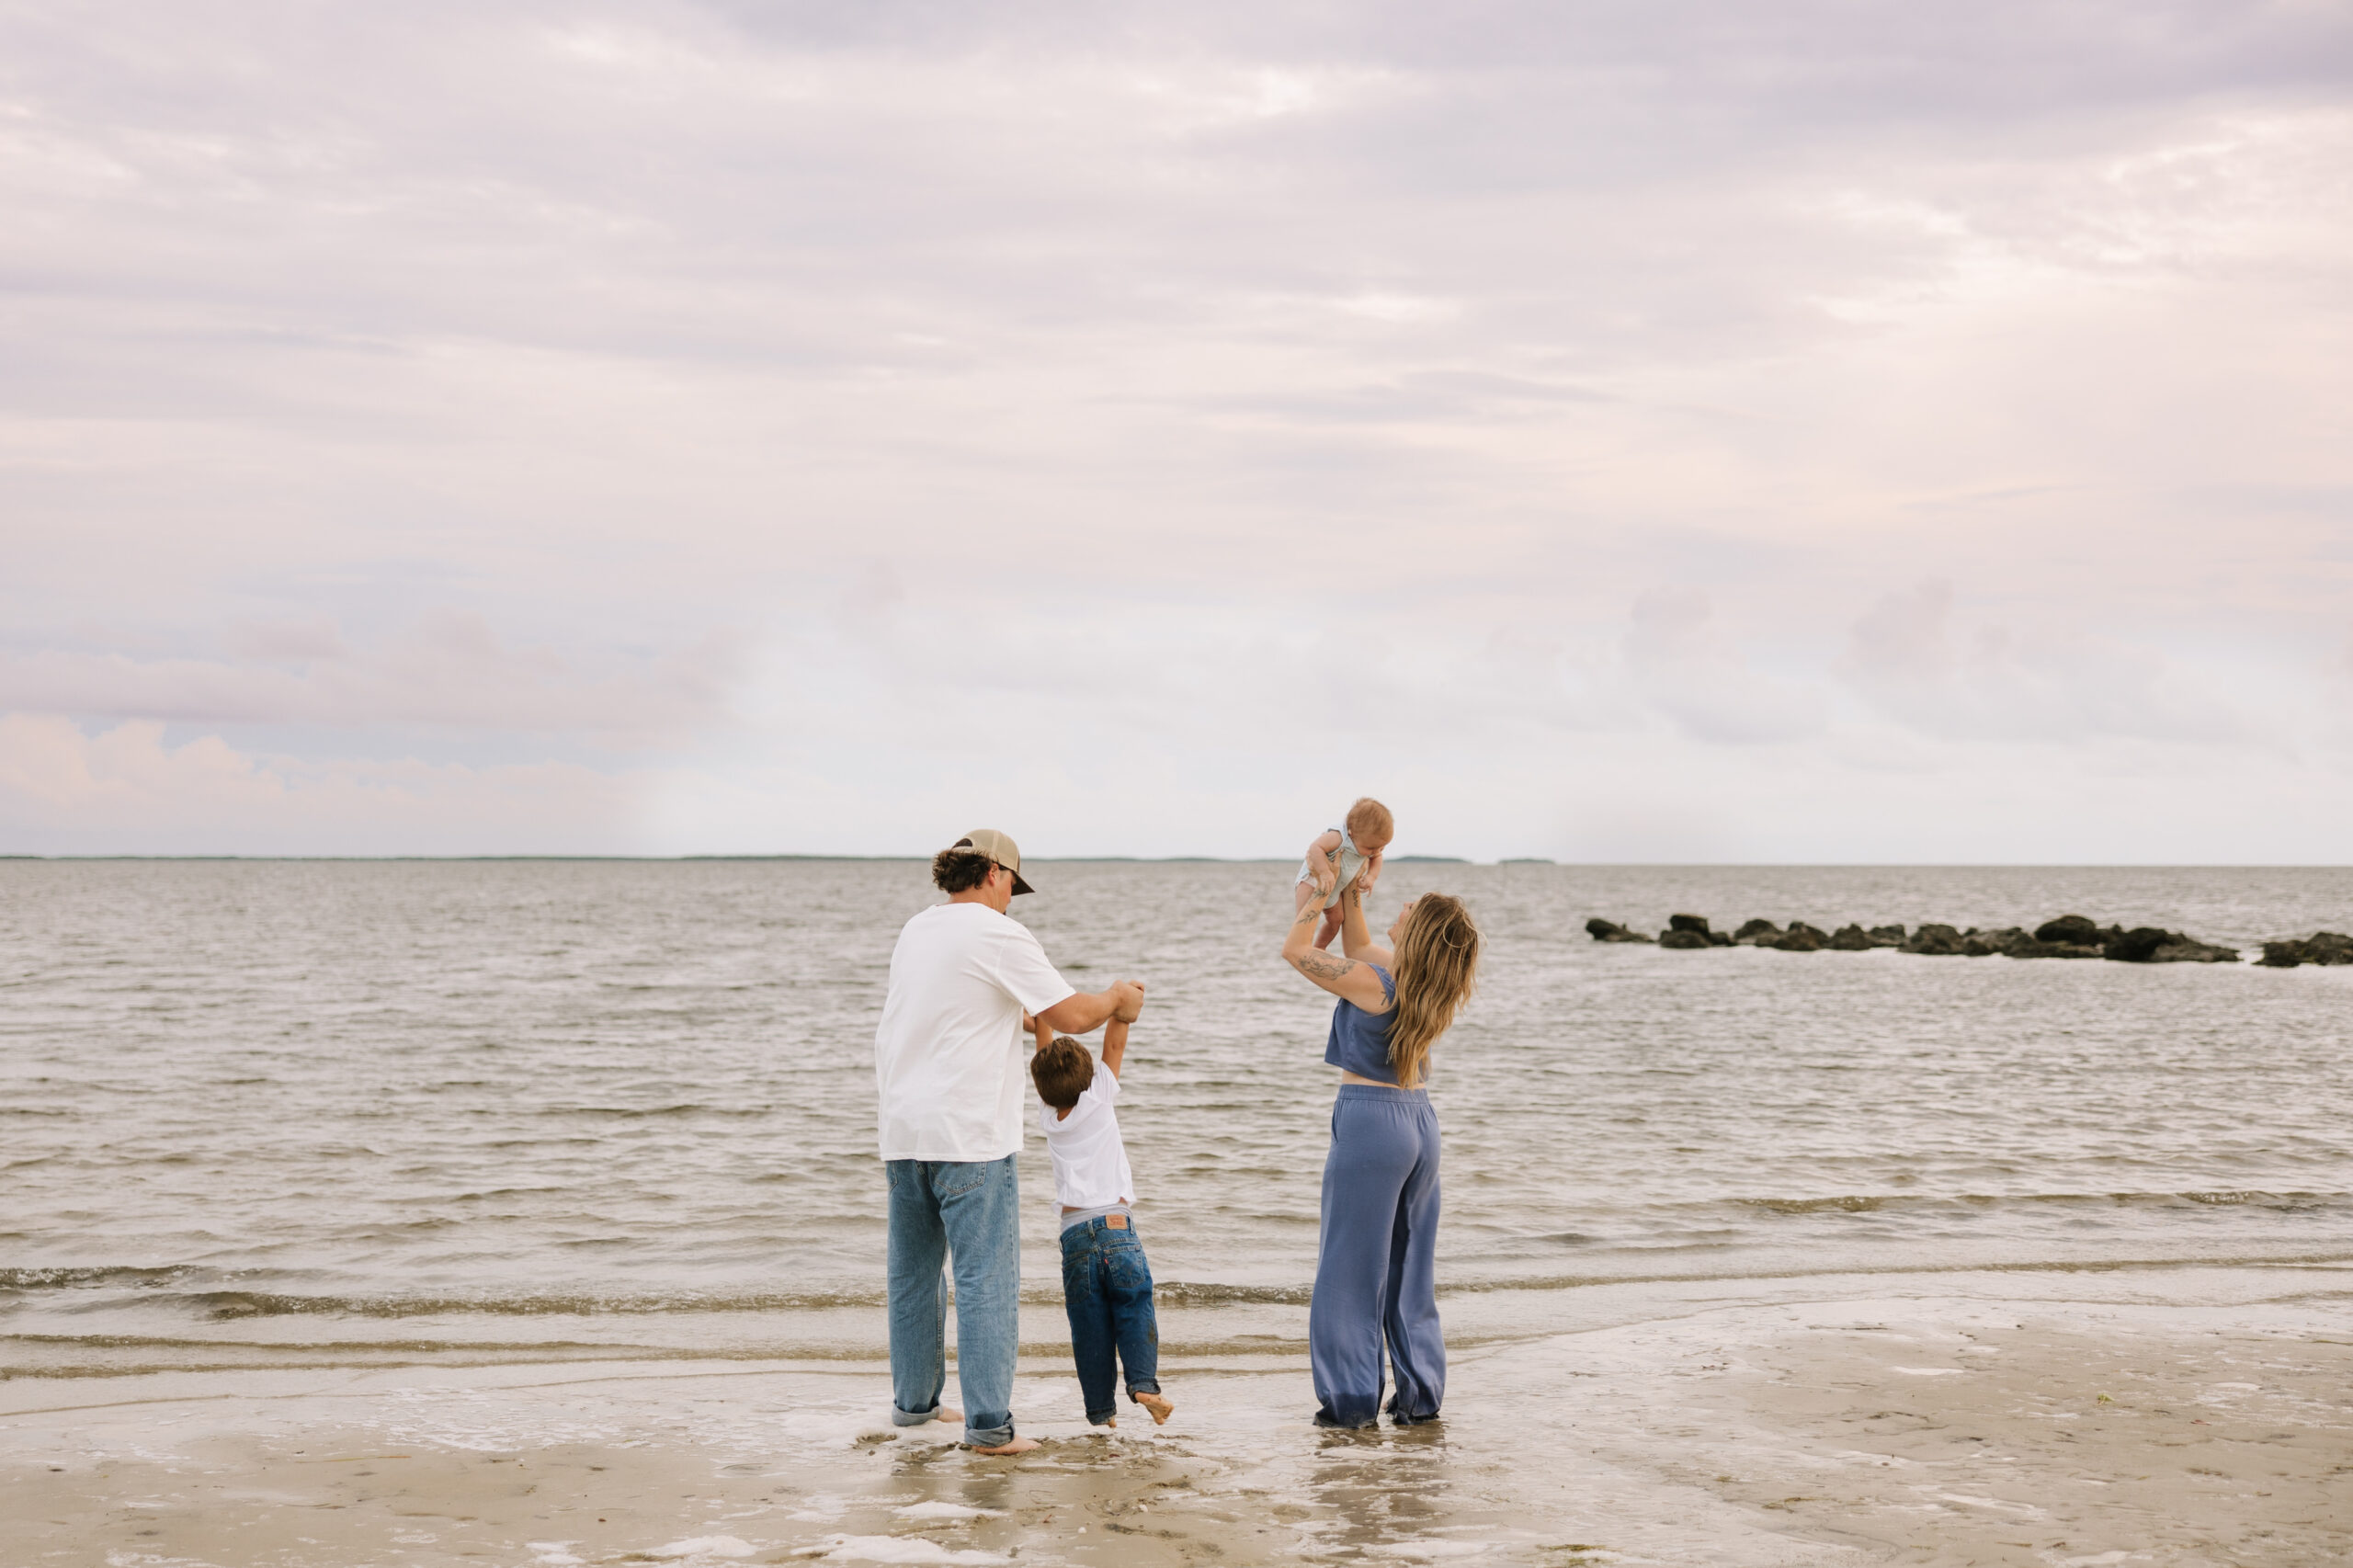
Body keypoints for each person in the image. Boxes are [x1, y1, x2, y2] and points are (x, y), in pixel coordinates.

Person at [874, 829, 1144, 1455]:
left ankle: (915, 1410)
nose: (1012, 901)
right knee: (984, 1280)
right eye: (1011, 888)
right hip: (969, 1133)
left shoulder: (918, 929)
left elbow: (965, 1009)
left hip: (903, 1128)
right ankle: (991, 1430)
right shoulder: (997, 933)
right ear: (993, 873)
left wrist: (1032, 1020)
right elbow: (1077, 1015)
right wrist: (1119, 999)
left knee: (914, 1277)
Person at [1280, 875, 1481, 1428]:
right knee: (1408, 1269)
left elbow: (1296, 952)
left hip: (1371, 1122)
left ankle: (1350, 1404)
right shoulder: (1412, 980)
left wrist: (1319, 896)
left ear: (1416, 933)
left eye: (1411, 908)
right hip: (1419, 1122)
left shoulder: (1377, 982)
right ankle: (1421, 1397)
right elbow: (1356, 946)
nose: (1404, 905)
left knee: (1347, 1270)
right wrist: (1353, 878)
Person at [1029, 1003, 1174, 1430]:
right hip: (1115, 1226)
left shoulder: (1047, 1114)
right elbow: (1115, 1038)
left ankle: (1101, 1411)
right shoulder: (1100, 1096)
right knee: (1133, 1303)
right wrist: (1124, 1001)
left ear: (1042, 1087)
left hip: (1073, 1235)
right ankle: (1144, 1385)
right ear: (1092, 1078)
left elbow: (1044, 1048)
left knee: (1087, 1325)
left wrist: (1040, 1018)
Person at [1294, 798, 1395, 950]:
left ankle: (1319, 948)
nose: (1376, 852)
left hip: (1335, 888)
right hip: (1313, 880)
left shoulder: (1371, 845)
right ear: (1351, 833)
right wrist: (1324, 872)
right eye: (1370, 848)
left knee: (1336, 920)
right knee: (1303, 920)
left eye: (1382, 847)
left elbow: (1377, 859)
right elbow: (1315, 847)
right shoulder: (1339, 837)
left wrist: (1371, 877)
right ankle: (1302, 947)